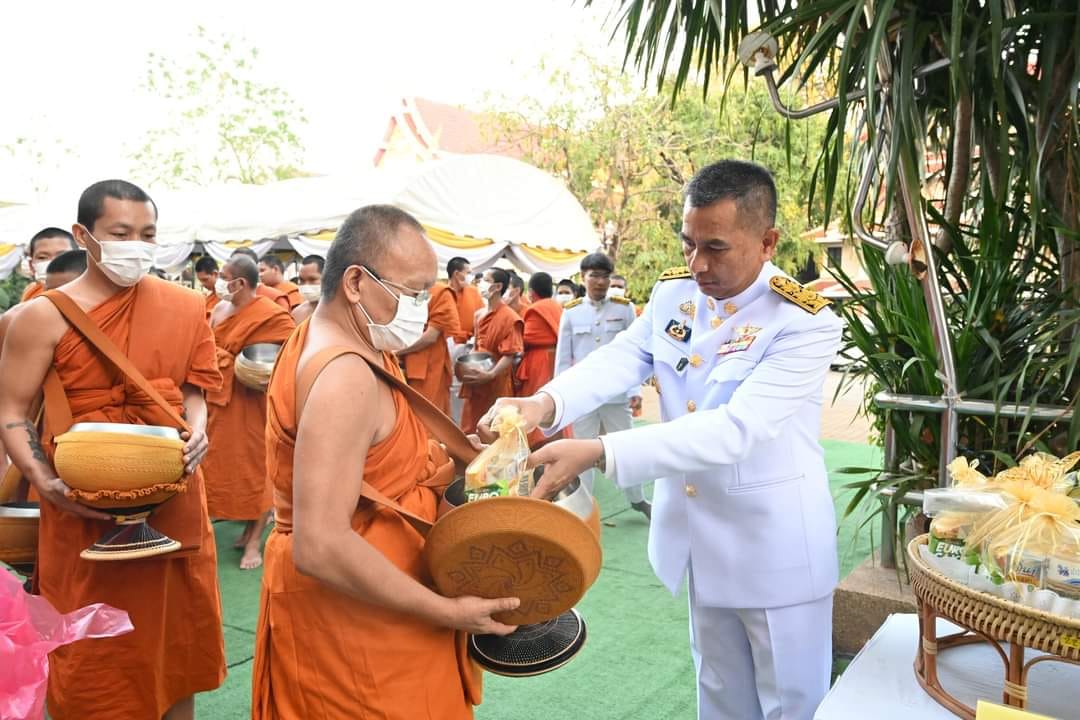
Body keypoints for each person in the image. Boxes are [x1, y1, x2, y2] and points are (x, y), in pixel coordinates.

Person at [483, 160, 843, 720]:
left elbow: (737, 428)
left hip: (775, 548)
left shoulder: (803, 321)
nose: (698, 264)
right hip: (700, 539)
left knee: (792, 705)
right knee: (719, 696)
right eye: (688, 244)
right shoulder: (676, 295)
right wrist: (543, 404)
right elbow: (623, 357)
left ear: (767, 242)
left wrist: (602, 451)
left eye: (716, 248)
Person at [250, 205, 518, 719]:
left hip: (384, 594)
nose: (423, 308)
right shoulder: (344, 374)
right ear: (355, 282)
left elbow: (375, 461)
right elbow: (321, 545)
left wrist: (461, 448)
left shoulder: (341, 338)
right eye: (413, 293)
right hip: (361, 616)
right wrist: (446, 611)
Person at [0, 179, 226, 720]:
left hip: (173, 502)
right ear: (84, 235)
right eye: (120, 233)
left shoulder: (183, 306)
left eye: (147, 234)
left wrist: (198, 429)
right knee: (92, 665)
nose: (136, 246)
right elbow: (12, 411)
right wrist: (45, 481)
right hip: (82, 506)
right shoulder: (41, 317)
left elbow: (193, 388)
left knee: (174, 657)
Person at [203, 254, 296, 569]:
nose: (218, 281)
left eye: (223, 276)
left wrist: (231, 361)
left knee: (256, 470)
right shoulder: (218, 309)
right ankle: (244, 529)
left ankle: (254, 540)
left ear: (239, 282)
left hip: (251, 402)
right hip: (218, 400)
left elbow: (282, 362)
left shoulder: (271, 315)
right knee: (222, 467)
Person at [555, 252, 650, 518]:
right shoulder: (571, 312)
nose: (600, 281)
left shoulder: (624, 308)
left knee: (627, 449)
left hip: (617, 395)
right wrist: (563, 397)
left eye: (605, 276)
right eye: (594, 275)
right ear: (582, 278)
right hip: (583, 396)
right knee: (581, 454)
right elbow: (563, 360)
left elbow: (637, 353)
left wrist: (635, 390)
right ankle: (582, 510)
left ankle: (637, 499)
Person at [458, 267, 523, 434]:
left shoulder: (510, 317)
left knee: (493, 428)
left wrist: (491, 374)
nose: (481, 283)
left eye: (486, 280)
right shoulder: (479, 315)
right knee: (470, 426)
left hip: (497, 379)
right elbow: (476, 347)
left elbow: (509, 354)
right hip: (476, 377)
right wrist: (465, 366)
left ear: (498, 287)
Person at [514, 272, 568, 448]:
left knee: (536, 401)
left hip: (540, 361)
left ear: (531, 292)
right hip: (556, 359)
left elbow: (527, 338)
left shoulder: (535, 309)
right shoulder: (556, 306)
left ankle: (536, 442)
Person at [398, 276, 464, 415]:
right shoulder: (400, 287)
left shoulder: (440, 292)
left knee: (427, 416)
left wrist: (398, 351)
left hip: (429, 366)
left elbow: (431, 337)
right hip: (402, 361)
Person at [20, 227, 77, 301]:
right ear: (31, 266)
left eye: (62, 256)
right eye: (42, 257)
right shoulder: (31, 293)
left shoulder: (89, 295)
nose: (53, 263)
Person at [445, 256, 485, 339]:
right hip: (445, 342)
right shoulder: (441, 293)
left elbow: (483, 319)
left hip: (468, 342)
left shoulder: (473, 292)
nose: (471, 277)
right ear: (456, 274)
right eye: (468, 273)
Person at [291, 254, 324, 323]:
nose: (306, 285)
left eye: (312, 279)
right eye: (302, 280)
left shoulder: (342, 310)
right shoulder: (297, 313)